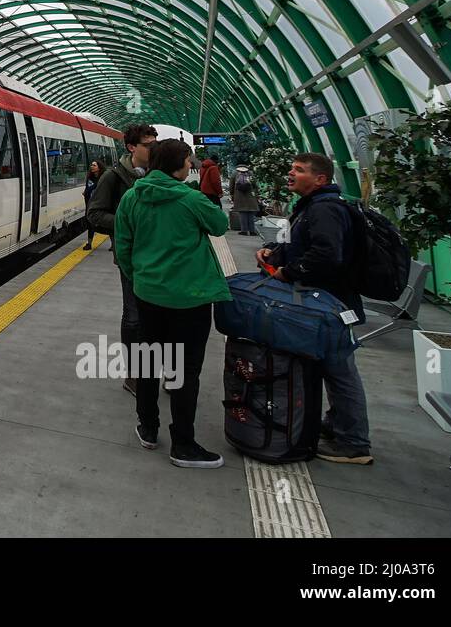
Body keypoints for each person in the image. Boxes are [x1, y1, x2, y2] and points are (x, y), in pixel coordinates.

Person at [115, 139, 231, 468]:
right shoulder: (191, 199)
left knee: (149, 361)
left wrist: (139, 278)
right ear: (176, 165)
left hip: (148, 294)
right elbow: (220, 226)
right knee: (183, 371)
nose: (191, 165)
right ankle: (183, 443)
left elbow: (124, 247)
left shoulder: (132, 198)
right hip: (189, 299)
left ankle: (148, 428)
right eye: (187, 161)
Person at [256, 153, 372, 465]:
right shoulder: (311, 207)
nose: (290, 173)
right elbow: (302, 245)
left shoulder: (326, 210)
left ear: (320, 179)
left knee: (339, 370)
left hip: (330, 305)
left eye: (299, 170)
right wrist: (276, 253)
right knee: (332, 368)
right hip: (321, 302)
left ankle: (354, 442)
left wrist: (288, 272)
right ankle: (339, 425)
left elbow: (326, 255)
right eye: (291, 167)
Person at [87, 123, 158, 397]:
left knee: (160, 316)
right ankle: (134, 374)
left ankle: (159, 368)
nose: (154, 148)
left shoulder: (160, 174)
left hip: (161, 256)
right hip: (131, 257)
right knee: (133, 316)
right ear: (132, 147)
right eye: (148, 145)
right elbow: (94, 215)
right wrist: (129, 223)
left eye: (155, 144)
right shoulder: (113, 177)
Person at [81, 159, 105, 251]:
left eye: (94, 165)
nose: (92, 167)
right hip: (90, 203)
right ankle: (89, 243)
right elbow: (88, 188)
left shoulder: (103, 178)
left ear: (99, 167)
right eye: (91, 165)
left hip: (101, 203)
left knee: (106, 225)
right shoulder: (90, 178)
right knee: (89, 223)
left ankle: (113, 243)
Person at [230, 165, 259, 236]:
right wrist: (256, 193)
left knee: (242, 213)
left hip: (239, 196)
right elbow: (255, 184)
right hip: (250, 196)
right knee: (251, 213)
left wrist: (232, 194)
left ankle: (244, 230)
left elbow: (231, 184)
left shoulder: (235, 173)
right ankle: (252, 231)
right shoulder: (250, 173)